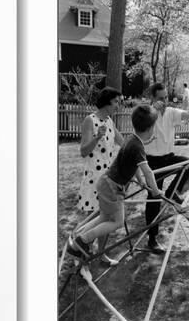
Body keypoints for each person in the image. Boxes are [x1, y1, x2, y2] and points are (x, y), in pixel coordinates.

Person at [68, 105, 162, 262]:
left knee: (105, 217)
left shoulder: (132, 140)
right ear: (150, 128)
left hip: (106, 183)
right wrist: (156, 191)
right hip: (112, 188)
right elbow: (148, 171)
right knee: (117, 221)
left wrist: (140, 181)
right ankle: (83, 240)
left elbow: (136, 166)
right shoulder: (137, 146)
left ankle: (78, 239)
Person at [145, 83, 189, 252]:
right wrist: (152, 110)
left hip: (167, 157)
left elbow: (188, 115)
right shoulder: (147, 113)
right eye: (160, 98)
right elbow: (140, 126)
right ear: (152, 98)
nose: (164, 101)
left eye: (166, 97)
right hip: (151, 162)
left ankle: (172, 194)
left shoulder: (171, 112)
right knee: (153, 200)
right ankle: (152, 239)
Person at [77, 86, 124, 265]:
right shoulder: (90, 120)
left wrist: (140, 145)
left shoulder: (110, 121)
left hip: (107, 180)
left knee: (108, 218)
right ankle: (82, 260)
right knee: (91, 220)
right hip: (93, 179)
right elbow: (83, 151)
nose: (118, 105)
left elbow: (122, 142)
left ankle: (101, 255)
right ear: (106, 102)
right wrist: (97, 137)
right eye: (116, 102)